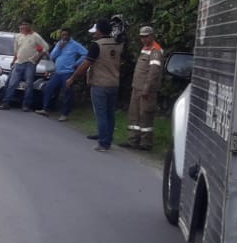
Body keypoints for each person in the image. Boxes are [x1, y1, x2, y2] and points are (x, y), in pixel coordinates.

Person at [68, 20, 124, 152]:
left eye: (96, 30)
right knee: (110, 113)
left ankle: (103, 143)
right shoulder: (117, 44)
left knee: (101, 114)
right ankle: (108, 139)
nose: (94, 33)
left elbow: (86, 64)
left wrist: (73, 78)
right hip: (114, 83)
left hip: (100, 83)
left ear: (99, 31)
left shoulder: (96, 45)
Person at [123, 25, 164, 150]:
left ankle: (145, 143)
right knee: (134, 114)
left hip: (146, 89)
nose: (143, 39)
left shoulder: (155, 50)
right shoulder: (145, 48)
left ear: (152, 36)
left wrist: (147, 88)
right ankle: (133, 141)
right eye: (141, 37)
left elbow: (153, 72)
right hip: (137, 87)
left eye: (145, 37)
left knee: (145, 115)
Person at [0, 19, 48, 112]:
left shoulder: (35, 36)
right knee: (12, 84)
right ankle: (6, 103)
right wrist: (13, 60)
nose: (24, 26)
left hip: (30, 63)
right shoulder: (18, 36)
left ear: (30, 25)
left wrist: (38, 57)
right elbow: (16, 50)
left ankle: (26, 105)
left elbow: (46, 47)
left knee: (29, 85)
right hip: (19, 63)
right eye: (23, 24)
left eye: (26, 24)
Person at [36, 28, 87, 121]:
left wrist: (77, 64)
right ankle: (45, 109)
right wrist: (59, 47)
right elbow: (52, 56)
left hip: (68, 72)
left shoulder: (75, 45)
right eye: (63, 35)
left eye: (66, 35)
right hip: (58, 72)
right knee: (48, 88)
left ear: (69, 35)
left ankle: (65, 114)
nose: (64, 36)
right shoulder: (59, 44)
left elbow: (85, 54)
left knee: (67, 92)